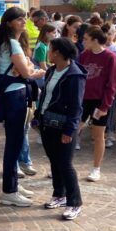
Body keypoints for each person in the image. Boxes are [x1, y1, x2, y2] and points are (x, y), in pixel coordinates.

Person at [0, 7, 44, 207]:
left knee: (15, 142)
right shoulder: (12, 44)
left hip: (13, 94)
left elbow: (25, 69)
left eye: (24, 18)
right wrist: (31, 71)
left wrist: (26, 69)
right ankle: (9, 191)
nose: (23, 22)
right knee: (14, 144)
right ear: (8, 23)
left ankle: (12, 184)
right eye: (19, 19)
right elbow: (27, 72)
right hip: (15, 95)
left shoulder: (7, 44)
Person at [36, 37, 86, 220]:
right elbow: (45, 97)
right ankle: (59, 194)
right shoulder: (51, 70)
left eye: (50, 50)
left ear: (57, 52)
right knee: (54, 160)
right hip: (46, 122)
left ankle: (75, 202)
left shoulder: (74, 75)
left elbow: (76, 106)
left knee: (65, 164)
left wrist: (70, 130)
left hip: (64, 126)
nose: (48, 52)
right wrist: (37, 117)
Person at [77, 26, 116, 181]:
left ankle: (96, 168)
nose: (83, 41)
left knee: (98, 135)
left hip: (99, 101)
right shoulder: (84, 55)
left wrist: (104, 106)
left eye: (86, 39)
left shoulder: (110, 57)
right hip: (83, 100)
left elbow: (113, 84)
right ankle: (62, 165)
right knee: (73, 130)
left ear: (95, 40)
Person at [102, 23, 116, 148]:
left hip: (111, 82)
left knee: (111, 107)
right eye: (105, 33)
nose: (107, 36)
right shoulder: (98, 47)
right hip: (99, 83)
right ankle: (100, 133)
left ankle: (109, 132)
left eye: (110, 33)